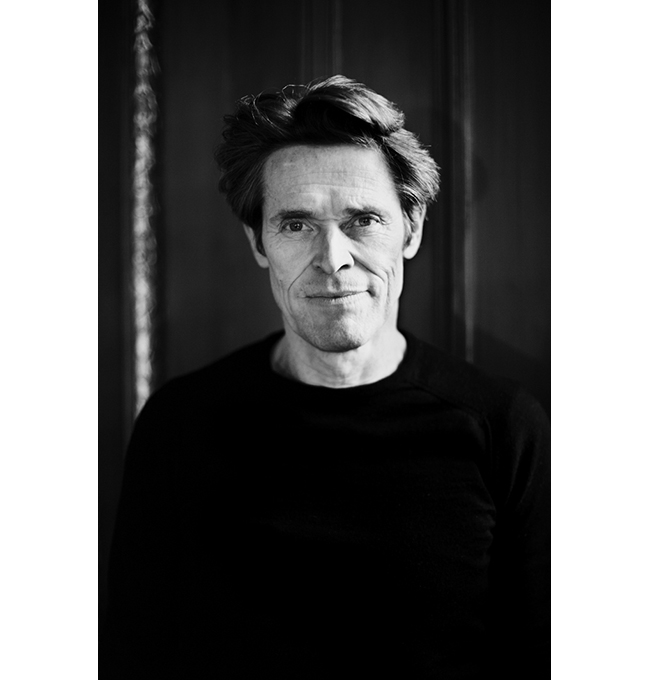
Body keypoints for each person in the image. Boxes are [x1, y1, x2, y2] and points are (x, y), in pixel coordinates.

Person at [103, 75, 550, 679]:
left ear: (411, 229)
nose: (333, 258)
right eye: (296, 225)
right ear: (258, 241)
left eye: (363, 220)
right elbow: (134, 657)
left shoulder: (503, 426)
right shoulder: (180, 424)